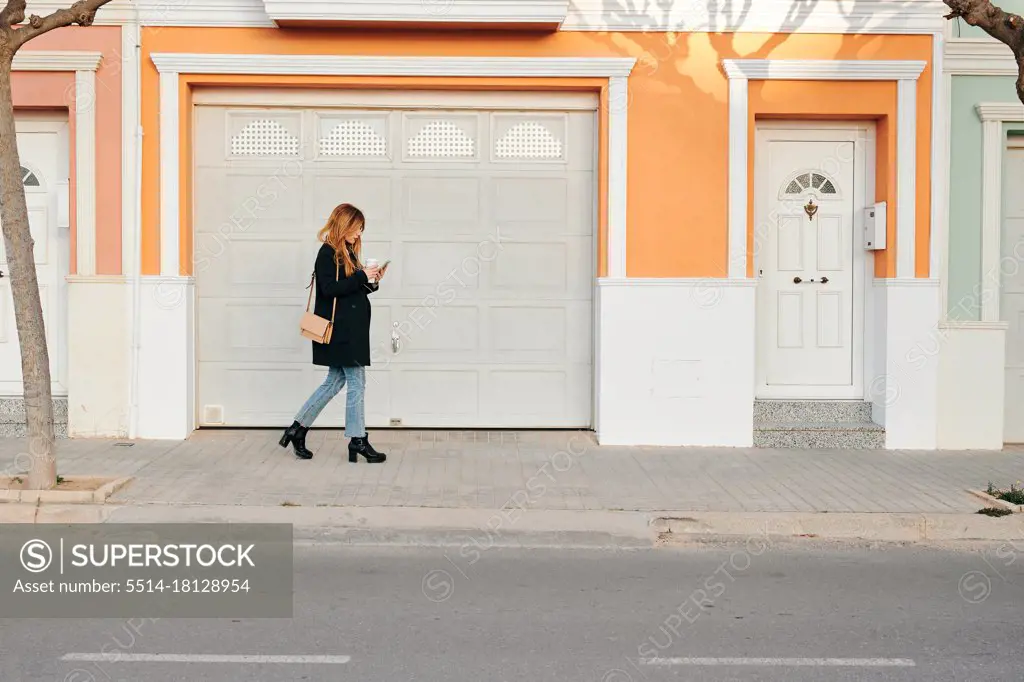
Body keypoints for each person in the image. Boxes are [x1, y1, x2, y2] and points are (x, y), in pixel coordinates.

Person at [279, 203, 387, 463]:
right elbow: (328, 290)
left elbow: (352, 289)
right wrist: (361, 276)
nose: (360, 233)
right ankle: (357, 440)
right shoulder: (327, 253)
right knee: (356, 383)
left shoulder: (347, 252)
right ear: (345, 224)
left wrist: (373, 281)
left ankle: (297, 429)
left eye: (362, 229)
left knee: (335, 381)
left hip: (352, 330)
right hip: (341, 332)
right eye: (357, 227)